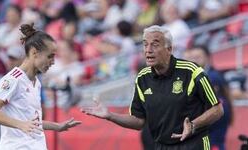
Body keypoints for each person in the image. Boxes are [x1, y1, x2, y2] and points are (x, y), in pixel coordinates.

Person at [82, 25, 224, 150]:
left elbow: (217, 109)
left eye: (155, 45)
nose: (148, 50)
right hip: (161, 146)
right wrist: (110, 116)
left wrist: (193, 125)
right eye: (145, 45)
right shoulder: (142, 78)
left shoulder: (192, 71)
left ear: (169, 49)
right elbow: (138, 121)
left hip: (194, 144)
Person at [0, 23, 81, 150]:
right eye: (50, 56)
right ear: (35, 52)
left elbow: (32, 122)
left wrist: (57, 126)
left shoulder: (36, 82)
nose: (53, 62)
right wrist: (20, 124)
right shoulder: (13, 79)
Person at [187, 46, 233, 150]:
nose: (193, 61)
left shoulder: (212, 77)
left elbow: (218, 107)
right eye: (190, 58)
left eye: (197, 57)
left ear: (207, 58)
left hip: (213, 129)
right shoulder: (201, 75)